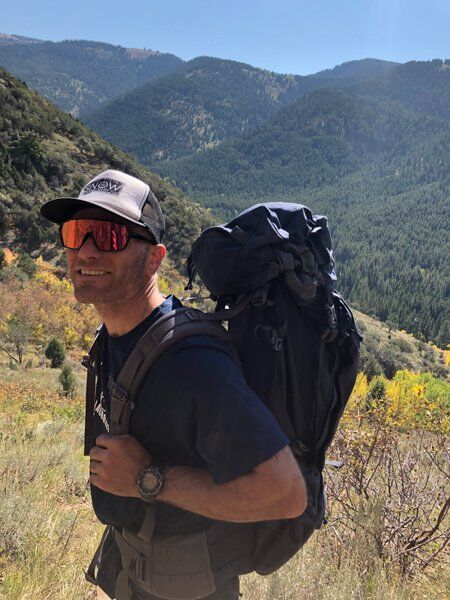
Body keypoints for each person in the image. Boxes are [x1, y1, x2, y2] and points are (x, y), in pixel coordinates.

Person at [40, 169, 307, 600]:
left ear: (154, 258)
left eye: (109, 236)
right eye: (76, 233)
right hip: (133, 573)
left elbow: (287, 494)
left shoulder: (194, 363)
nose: (85, 250)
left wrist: (149, 479)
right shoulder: (114, 337)